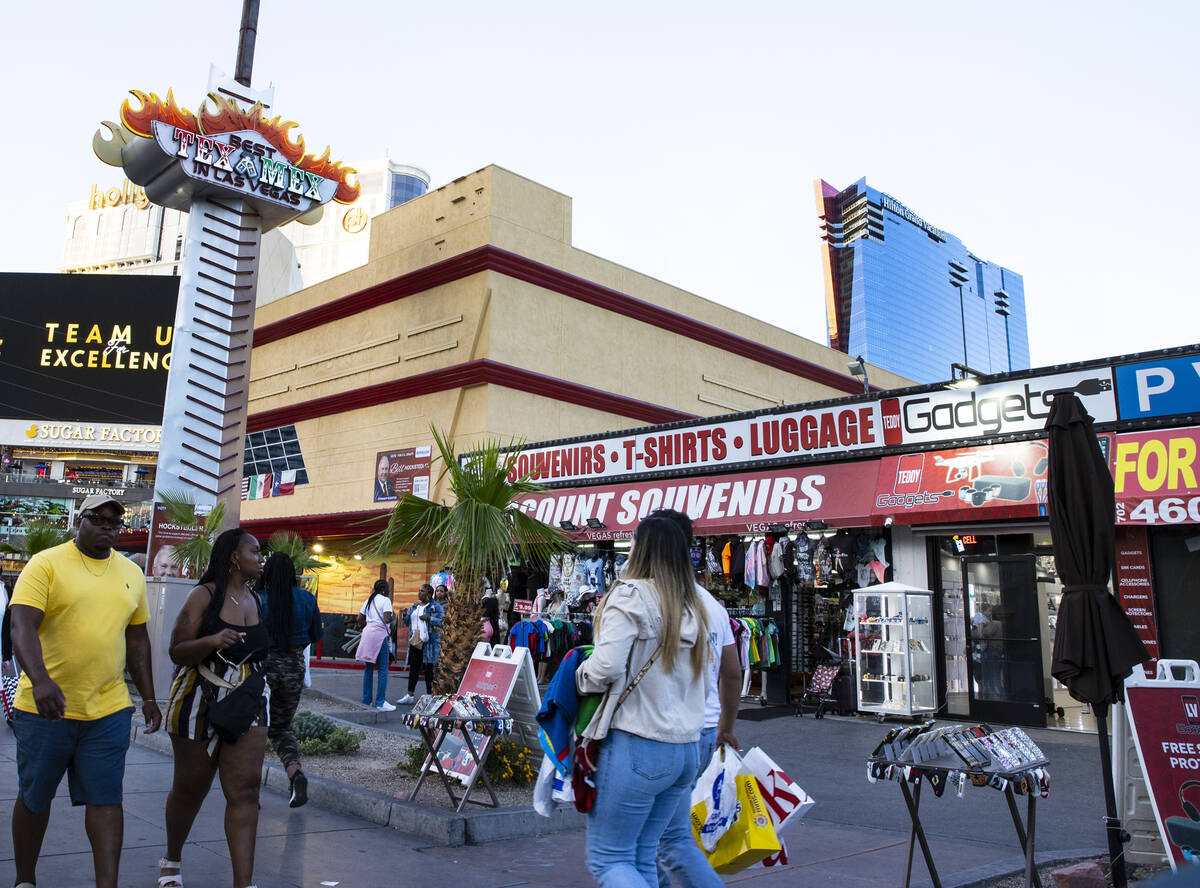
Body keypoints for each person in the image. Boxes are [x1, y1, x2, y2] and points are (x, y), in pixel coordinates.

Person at [8, 493, 161, 888]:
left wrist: (147, 697)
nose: (108, 527)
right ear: (80, 519)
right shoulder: (46, 564)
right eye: (99, 518)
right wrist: (40, 680)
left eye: (115, 522)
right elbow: (21, 625)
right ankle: (25, 879)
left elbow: (138, 640)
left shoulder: (131, 572)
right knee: (35, 797)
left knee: (107, 800)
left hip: (108, 710)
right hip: (46, 709)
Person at [576, 515, 710, 888]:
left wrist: (578, 677)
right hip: (684, 749)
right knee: (641, 853)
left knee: (609, 860)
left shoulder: (630, 595)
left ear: (643, 548)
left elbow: (604, 667)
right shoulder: (692, 607)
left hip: (637, 743)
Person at [159, 528, 269, 888]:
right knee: (190, 788)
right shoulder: (202, 595)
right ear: (235, 557)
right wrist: (211, 640)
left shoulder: (255, 599)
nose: (260, 557)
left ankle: (244, 882)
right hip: (199, 697)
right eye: (254, 551)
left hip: (247, 701)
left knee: (246, 790)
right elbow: (177, 650)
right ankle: (172, 860)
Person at [649, 509, 741, 888]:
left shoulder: (657, 601)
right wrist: (726, 727)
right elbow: (732, 672)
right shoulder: (713, 606)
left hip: (666, 734)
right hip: (706, 732)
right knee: (678, 833)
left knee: (658, 840)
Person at [257, 552, 323, 808]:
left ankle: (250, 791)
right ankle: (295, 775)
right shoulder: (306, 598)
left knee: (254, 731)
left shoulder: (258, 598)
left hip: (263, 668)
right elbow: (316, 634)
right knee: (281, 728)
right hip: (293, 667)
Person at [396, 584, 439, 704]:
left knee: (428, 668)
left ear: (429, 594)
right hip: (415, 640)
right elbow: (407, 622)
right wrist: (405, 615)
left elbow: (443, 621)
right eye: (419, 591)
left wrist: (430, 619)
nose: (419, 593)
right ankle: (410, 694)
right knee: (414, 668)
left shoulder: (435, 607)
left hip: (428, 641)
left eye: (422, 591)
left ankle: (429, 694)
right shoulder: (415, 606)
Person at [357, 579, 396, 711]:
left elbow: (359, 619)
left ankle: (366, 701)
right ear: (384, 589)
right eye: (388, 589)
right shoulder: (386, 600)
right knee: (383, 669)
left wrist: (370, 625)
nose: (389, 591)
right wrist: (393, 617)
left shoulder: (368, 600)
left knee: (368, 668)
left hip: (367, 634)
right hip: (380, 635)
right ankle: (380, 702)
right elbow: (386, 618)